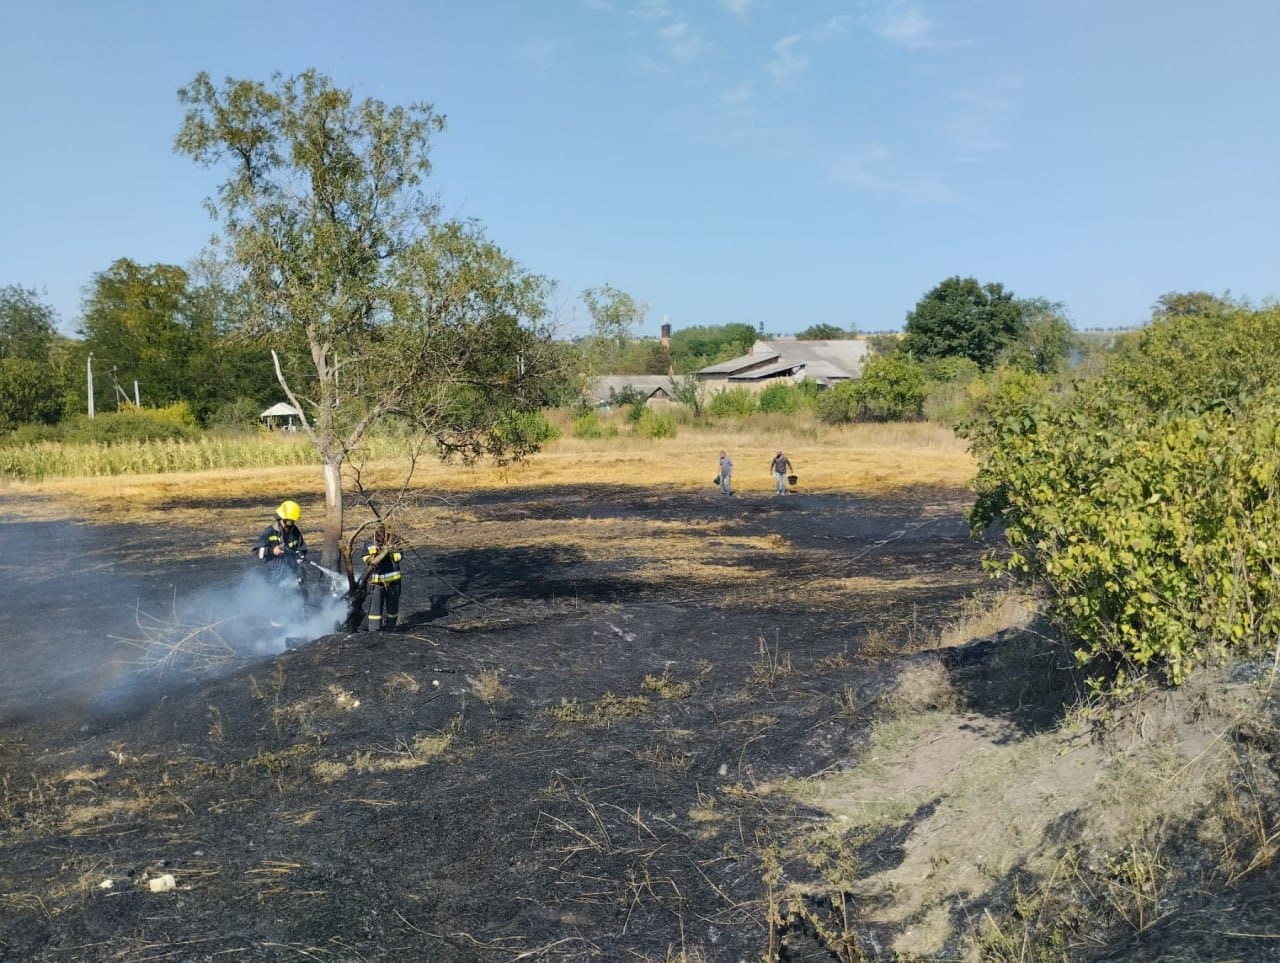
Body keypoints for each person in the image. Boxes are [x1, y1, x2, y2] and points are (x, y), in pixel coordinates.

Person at [253, 499, 308, 594]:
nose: (291, 524)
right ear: (281, 518)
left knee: (302, 597)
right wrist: (272, 551)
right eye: (289, 521)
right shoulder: (270, 532)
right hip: (273, 579)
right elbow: (256, 552)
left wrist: (300, 556)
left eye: (293, 521)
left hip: (291, 577)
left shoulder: (295, 532)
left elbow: (302, 549)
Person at [363, 524, 403, 631]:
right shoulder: (369, 541)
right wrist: (372, 559)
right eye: (377, 531)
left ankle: (391, 627)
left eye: (382, 531)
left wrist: (389, 553)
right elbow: (365, 557)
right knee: (375, 607)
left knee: (392, 606)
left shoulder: (393, 539)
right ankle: (374, 629)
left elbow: (399, 556)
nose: (380, 534)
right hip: (377, 581)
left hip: (393, 581)